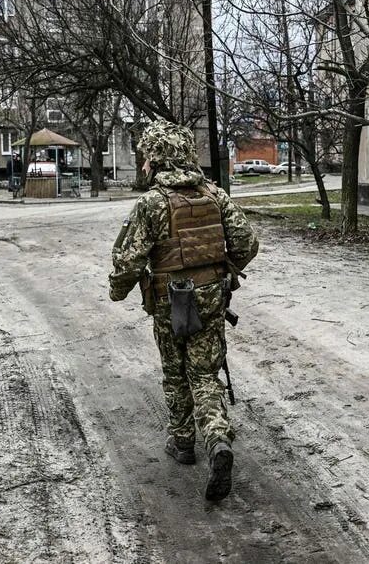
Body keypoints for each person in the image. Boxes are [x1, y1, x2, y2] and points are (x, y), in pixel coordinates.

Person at [109, 120, 259, 502]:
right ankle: (217, 440)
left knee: (176, 373)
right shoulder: (215, 195)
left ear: (155, 157)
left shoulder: (152, 203)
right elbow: (247, 243)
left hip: (168, 300)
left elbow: (128, 260)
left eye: (145, 155)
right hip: (211, 297)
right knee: (205, 374)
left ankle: (182, 442)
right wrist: (221, 269)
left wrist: (117, 290)